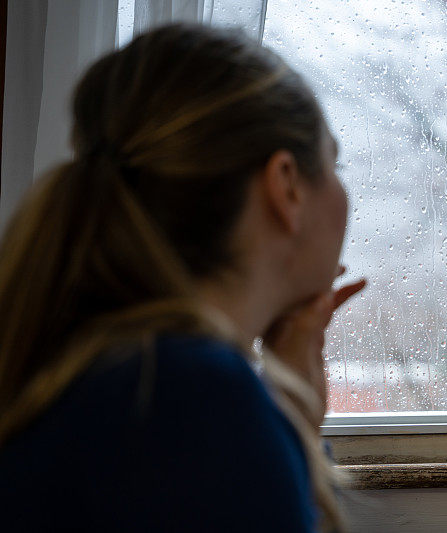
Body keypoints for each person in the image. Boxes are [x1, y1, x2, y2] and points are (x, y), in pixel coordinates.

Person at [0, 24, 364, 532]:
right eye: (335, 163)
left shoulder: (105, 365)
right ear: (286, 187)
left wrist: (291, 404)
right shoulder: (190, 400)